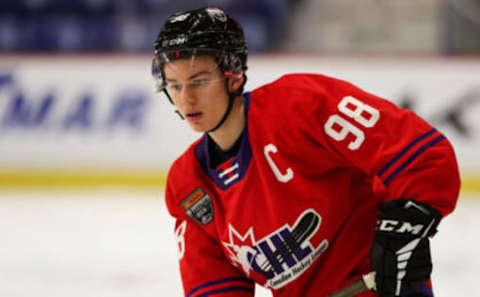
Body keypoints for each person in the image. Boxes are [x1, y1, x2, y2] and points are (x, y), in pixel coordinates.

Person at [151, 7, 460, 297]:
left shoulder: (300, 107)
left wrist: (402, 234)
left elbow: (423, 156)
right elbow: (213, 288)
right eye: (175, 85)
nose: (186, 99)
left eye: (200, 81)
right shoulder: (189, 187)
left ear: (233, 74)